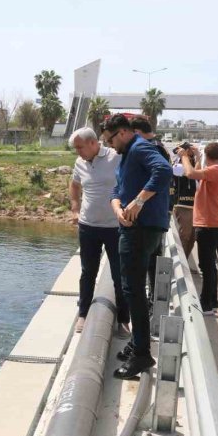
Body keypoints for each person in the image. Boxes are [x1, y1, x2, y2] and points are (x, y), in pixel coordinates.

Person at [102, 114, 172, 379]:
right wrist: (118, 207)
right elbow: (117, 190)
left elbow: (164, 171)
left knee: (132, 289)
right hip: (133, 227)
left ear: (122, 132)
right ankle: (137, 342)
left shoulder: (140, 148)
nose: (110, 146)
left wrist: (139, 201)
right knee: (133, 288)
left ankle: (142, 354)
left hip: (141, 230)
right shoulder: (127, 156)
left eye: (110, 140)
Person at [69, 127, 131, 337]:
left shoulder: (116, 157)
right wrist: (75, 208)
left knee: (119, 275)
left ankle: (124, 319)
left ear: (93, 143)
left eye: (80, 147)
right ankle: (83, 313)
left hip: (115, 227)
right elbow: (75, 185)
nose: (77, 151)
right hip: (88, 227)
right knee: (88, 272)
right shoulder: (80, 162)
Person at [180, 141, 218, 312]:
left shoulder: (215, 170)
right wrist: (198, 157)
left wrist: (184, 156)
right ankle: (212, 302)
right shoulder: (215, 170)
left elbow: (190, 173)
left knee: (207, 267)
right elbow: (197, 176)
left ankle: (206, 304)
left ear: (208, 156)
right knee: (209, 266)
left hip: (209, 225)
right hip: (211, 224)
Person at [130, 115, 172, 299]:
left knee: (145, 263)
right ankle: (152, 300)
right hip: (157, 214)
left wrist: (138, 201)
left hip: (148, 216)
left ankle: (148, 302)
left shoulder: (149, 149)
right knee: (152, 260)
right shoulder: (160, 147)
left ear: (137, 132)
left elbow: (161, 174)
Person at [171, 143, 198, 262]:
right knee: (185, 236)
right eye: (189, 149)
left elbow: (197, 175)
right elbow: (192, 174)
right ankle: (180, 263)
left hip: (195, 206)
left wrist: (197, 157)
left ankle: (185, 261)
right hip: (183, 205)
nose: (192, 151)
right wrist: (185, 157)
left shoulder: (192, 162)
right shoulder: (178, 164)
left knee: (192, 238)